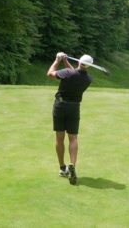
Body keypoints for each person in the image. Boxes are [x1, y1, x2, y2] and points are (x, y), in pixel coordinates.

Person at [47, 52, 93, 185]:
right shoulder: (88, 79)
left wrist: (57, 60)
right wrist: (66, 61)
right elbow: (75, 73)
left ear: (79, 61)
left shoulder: (67, 73)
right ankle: (72, 164)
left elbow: (50, 74)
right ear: (88, 66)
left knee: (59, 138)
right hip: (74, 108)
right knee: (73, 138)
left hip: (60, 106)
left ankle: (63, 168)